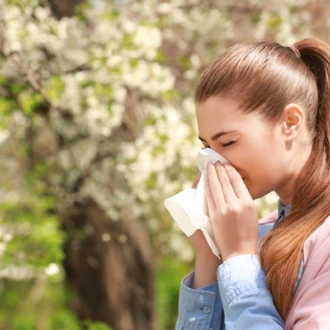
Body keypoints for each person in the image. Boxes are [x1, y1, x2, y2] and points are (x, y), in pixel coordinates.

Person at [175, 37, 330, 330]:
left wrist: (238, 259)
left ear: (290, 123)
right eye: (207, 147)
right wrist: (210, 255)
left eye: (228, 142)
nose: (214, 164)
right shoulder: (256, 233)